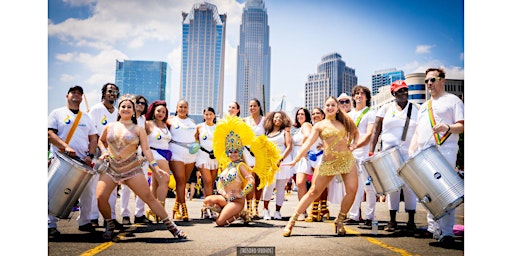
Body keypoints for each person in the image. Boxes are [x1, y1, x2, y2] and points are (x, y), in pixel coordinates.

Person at [96, 94, 186, 240]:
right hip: (111, 167)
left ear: (133, 111)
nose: (126, 109)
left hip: (131, 167)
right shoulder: (109, 126)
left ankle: (172, 227)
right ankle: (109, 224)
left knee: (149, 198)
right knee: (100, 197)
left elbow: (146, 150)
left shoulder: (138, 129)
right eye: (123, 106)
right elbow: (101, 141)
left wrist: (155, 168)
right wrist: (104, 151)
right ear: (119, 110)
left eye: (129, 107)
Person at [281, 96, 359, 237]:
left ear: (337, 107)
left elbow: (356, 132)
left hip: (347, 159)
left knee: (352, 190)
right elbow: (308, 144)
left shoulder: (345, 120)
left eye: (333, 105)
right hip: (328, 162)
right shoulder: (319, 125)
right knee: (313, 192)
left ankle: (340, 220)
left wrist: (354, 144)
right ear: (324, 107)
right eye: (327, 105)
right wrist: (296, 159)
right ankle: (292, 221)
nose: (330, 107)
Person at [408, 68, 464, 247]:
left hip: (445, 149)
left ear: (442, 80)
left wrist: (447, 127)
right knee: (429, 192)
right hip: (425, 153)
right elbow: (418, 130)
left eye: (433, 79)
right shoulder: (424, 106)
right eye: (427, 81)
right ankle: (433, 228)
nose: (429, 83)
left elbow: (462, 126)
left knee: (446, 192)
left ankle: (447, 232)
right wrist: (412, 148)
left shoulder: (453, 100)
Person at [202, 115, 280, 226]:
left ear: (239, 152)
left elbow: (251, 181)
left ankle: (239, 213)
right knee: (207, 201)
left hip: (237, 201)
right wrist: (223, 192)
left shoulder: (241, 166)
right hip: (226, 198)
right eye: (230, 151)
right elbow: (219, 182)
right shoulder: (228, 165)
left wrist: (241, 194)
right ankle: (227, 211)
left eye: (235, 151)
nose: (232, 154)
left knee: (219, 222)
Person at [48, 85, 98, 237]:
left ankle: (84, 221)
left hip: (82, 160)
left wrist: (90, 154)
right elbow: (50, 134)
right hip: (61, 158)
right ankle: (50, 224)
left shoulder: (87, 117)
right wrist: (65, 147)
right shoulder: (57, 113)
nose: (76, 95)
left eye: (79, 93)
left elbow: (93, 138)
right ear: (67, 96)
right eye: (73, 93)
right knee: (55, 191)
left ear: (82, 97)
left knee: (88, 192)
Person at [369, 80, 419, 232]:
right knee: (392, 187)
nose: (404, 93)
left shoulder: (416, 108)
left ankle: (411, 221)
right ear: (393, 94)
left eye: (405, 90)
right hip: (389, 153)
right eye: (400, 91)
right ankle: (392, 220)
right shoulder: (385, 108)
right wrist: (371, 151)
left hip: (409, 152)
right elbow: (376, 131)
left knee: (410, 186)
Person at [88, 82, 123, 229]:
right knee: (95, 187)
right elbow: (91, 132)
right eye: (109, 91)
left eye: (115, 92)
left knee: (113, 188)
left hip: (114, 155)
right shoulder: (96, 110)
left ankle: (111, 218)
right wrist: (99, 150)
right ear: (104, 93)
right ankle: (92, 217)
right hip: (98, 153)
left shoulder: (118, 112)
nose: (112, 94)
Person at [344, 86, 378, 227]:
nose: (359, 96)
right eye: (357, 93)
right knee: (354, 186)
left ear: (367, 97)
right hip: (352, 155)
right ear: (353, 97)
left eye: (362, 94)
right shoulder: (350, 115)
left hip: (364, 154)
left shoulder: (370, 113)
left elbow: (369, 134)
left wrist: (355, 146)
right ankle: (354, 215)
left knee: (369, 186)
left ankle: (370, 216)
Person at [119, 95, 152, 224]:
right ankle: (125, 214)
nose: (140, 105)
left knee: (143, 185)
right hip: (126, 156)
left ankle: (140, 213)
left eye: (143, 103)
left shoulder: (143, 119)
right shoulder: (125, 118)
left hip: (141, 156)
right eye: (138, 102)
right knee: (126, 187)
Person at [167, 100, 198, 221]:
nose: (183, 109)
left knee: (183, 183)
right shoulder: (170, 121)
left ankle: (176, 208)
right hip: (176, 153)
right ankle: (184, 209)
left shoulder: (192, 122)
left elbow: (195, 137)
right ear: (176, 108)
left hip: (190, 155)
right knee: (180, 181)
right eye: (180, 107)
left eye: (185, 107)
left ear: (188, 109)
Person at [143, 100, 172, 222]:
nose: (161, 113)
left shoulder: (166, 125)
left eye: (163, 112)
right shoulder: (148, 124)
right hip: (154, 153)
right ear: (153, 111)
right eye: (158, 111)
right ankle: (161, 209)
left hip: (165, 154)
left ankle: (152, 210)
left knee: (156, 183)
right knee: (165, 179)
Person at [261, 111, 293, 220]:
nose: (278, 119)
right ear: (272, 119)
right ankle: (265, 210)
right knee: (269, 186)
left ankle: (278, 212)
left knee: (280, 187)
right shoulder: (267, 133)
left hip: (282, 162)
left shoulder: (285, 131)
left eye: (280, 118)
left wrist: (280, 159)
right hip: (269, 163)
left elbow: (289, 147)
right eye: (276, 117)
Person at [304, 107, 329, 222]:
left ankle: (314, 211)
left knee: (317, 183)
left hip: (323, 157)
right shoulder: (312, 127)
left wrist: (325, 147)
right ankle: (323, 208)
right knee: (321, 185)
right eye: (313, 114)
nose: (315, 115)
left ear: (323, 115)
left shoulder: (327, 126)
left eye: (318, 113)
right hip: (313, 158)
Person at [242, 98, 266, 219]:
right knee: (250, 180)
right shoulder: (244, 120)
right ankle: (249, 207)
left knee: (259, 181)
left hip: (260, 153)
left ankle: (256, 207)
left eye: (255, 106)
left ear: (259, 107)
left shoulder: (265, 120)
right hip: (247, 152)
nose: (252, 108)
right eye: (251, 106)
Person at [289, 107, 313, 221]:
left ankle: (302, 211)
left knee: (300, 183)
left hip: (302, 157)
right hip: (296, 157)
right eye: (298, 114)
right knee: (300, 186)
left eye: (302, 114)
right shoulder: (298, 128)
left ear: (307, 116)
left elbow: (308, 136)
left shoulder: (306, 125)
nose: (300, 116)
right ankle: (303, 212)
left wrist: (304, 149)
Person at [194, 107, 219, 203]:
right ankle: (210, 206)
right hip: (202, 155)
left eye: (210, 114)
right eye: (206, 114)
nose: (208, 116)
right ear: (203, 115)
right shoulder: (199, 127)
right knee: (207, 180)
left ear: (214, 115)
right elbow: (195, 141)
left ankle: (206, 206)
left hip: (214, 157)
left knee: (211, 183)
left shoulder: (218, 127)